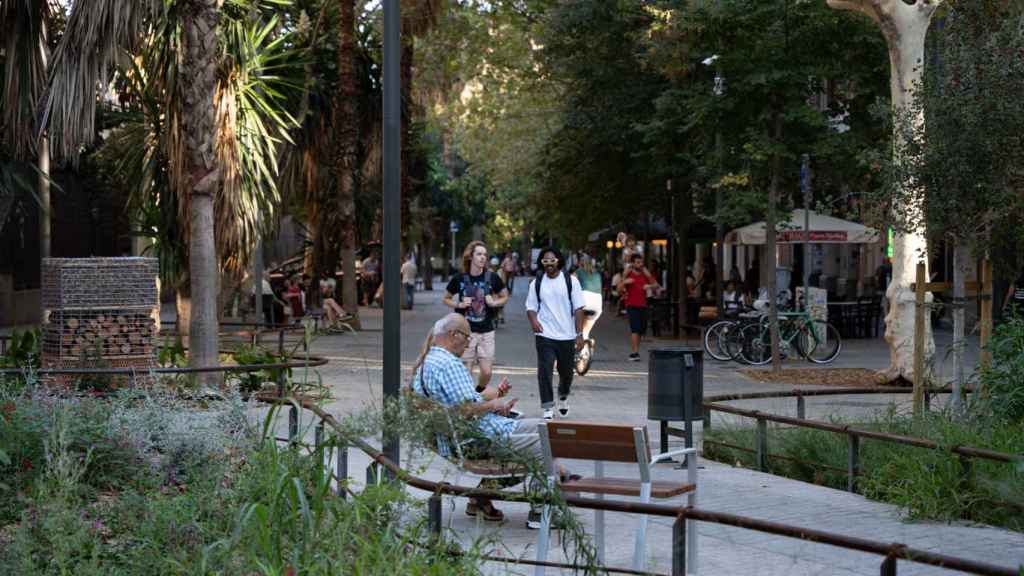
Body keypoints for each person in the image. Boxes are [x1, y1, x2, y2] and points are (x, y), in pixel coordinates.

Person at [410, 313, 571, 526]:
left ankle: (481, 497)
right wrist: (492, 405)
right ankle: (541, 513)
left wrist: (494, 406)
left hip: (470, 435)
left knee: (546, 428)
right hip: (479, 439)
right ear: (453, 334)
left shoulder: (428, 363)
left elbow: (460, 406)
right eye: (467, 338)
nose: (468, 344)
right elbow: (466, 410)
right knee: (547, 441)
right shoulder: (448, 364)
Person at [526, 247, 585, 420]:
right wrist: (534, 321)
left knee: (566, 372)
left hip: (566, 335)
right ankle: (547, 406)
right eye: (545, 261)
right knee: (545, 368)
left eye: (552, 260)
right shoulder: (536, 283)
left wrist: (579, 333)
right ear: (541, 263)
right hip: (545, 334)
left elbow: (579, 308)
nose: (549, 264)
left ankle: (563, 394)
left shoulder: (571, 281)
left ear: (559, 261)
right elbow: (530, 307)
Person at [444, 241, 509, 391]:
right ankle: (467, 400)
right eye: (479, 254)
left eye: (485, 255)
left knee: (486, 372)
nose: (483, 257)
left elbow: (505, 296)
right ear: (470, 257)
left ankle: (477, 392)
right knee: (466, 371)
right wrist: (459, 304)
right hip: (465, 333)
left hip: (486, 331)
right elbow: (445, 298)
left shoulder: (492, 277)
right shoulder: (459, 278)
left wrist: (494, 302)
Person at [618, 253, 659, 361]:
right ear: (632, 263)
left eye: (641, 262)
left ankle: (636, 351)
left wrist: (649, 285)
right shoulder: (629, 274)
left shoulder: (645, 274)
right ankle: (634, 353)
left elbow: (656, 286)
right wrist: (624, 282)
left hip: (643, 305)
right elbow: (618, 290)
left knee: (641, 330)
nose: (640, 264)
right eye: (638, 262)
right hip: (631, 305)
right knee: (635, 329)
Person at [574, 254, 603, 343]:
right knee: (586, 331)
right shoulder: (597, 274)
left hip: (584, 299)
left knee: (576, 328)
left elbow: (570, 283)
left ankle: (576, 342)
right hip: (597, 302)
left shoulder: (579, 271)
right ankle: (585, 349)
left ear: (580, 263)